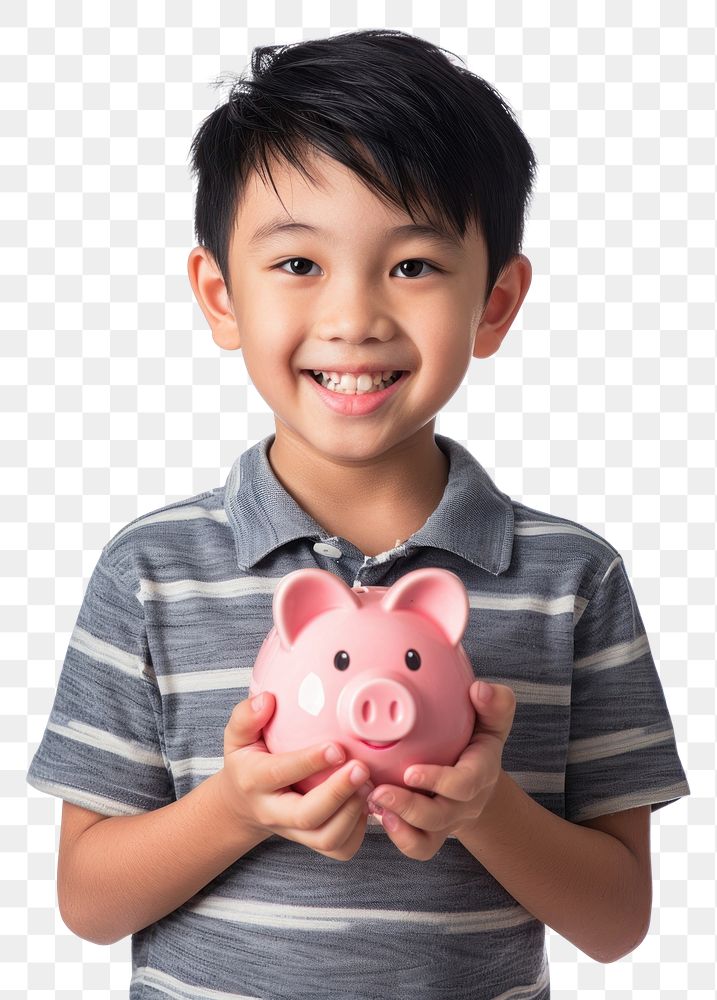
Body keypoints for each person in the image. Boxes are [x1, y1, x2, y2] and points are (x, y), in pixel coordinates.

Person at [26, 28, 690, 1000]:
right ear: (221, 297)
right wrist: (238, 807)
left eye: (413, 266)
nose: (354, 316)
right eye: (298, 265)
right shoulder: (151, 569)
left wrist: (484, 807)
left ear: (495, 303)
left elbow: (618, 920)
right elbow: (87, 901)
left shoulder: (568, 578)